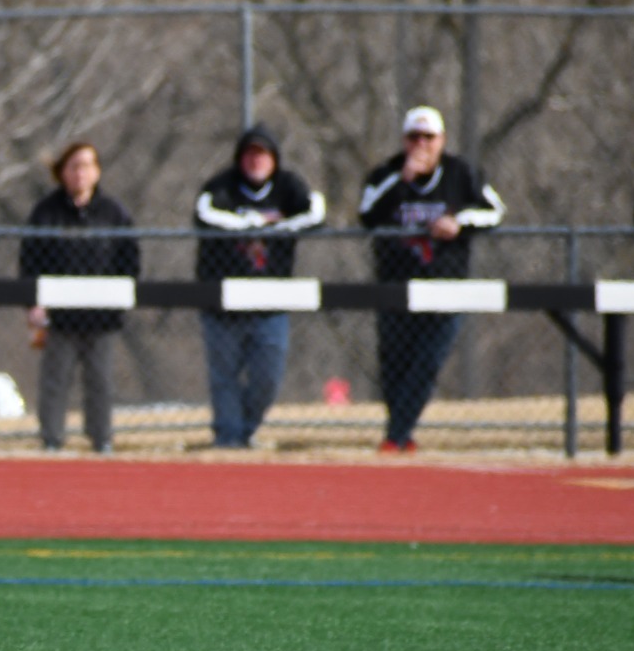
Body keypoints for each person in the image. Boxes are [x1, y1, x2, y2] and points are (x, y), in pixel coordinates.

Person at [357, 106, 505, 453]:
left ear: (442, 140)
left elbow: (495, 211)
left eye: (429, 137)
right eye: (414, 137)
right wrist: (403, 180)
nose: (421, 144)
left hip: (445, 287)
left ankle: (395, 436)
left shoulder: (460, 172)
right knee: (395, 363)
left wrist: (459, 222)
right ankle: (402, 436)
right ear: (404, 141)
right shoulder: (387, 174)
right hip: (396, 287)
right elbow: (366, 214)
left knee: (428, 362)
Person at [193, 124, 326, 448]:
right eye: (250, 154)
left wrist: (276, 227)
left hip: (270, 301)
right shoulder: (222, 186)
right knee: (223, 375)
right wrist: (247, 224)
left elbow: (316, 211)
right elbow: (204, 213)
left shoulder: (288, 185)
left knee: (267, 377)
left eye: (263, 155)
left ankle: (246, 428)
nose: (256, 161)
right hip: (222, 302)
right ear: (240, 158)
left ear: (274, 159)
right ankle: (228, 438)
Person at [18, 141, 138, 453]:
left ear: (97, 171)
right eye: (74, 166)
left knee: (100, 382)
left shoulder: (113, 213)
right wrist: (34, 303)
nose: (80, 173)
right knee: (55, 380)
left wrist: (120, 298)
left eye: (87, 165)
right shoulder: (47, 212)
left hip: (101, 316)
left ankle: (102, 439)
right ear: (62, 172)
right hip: (59, 317)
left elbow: (130, 260)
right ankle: (52, 439)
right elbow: (29, 261)